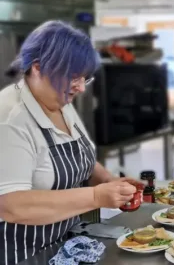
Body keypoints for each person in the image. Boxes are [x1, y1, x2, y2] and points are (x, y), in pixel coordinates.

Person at [0, 20, 143, 265]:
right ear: (37, 68)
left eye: (84, 78)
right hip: (25, 255)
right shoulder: (9, 119)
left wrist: (109, 182)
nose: (80, 88)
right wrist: (97, 196)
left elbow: (79, 154)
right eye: (73, 77)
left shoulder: (59, 102)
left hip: (68, 244)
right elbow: (10, 205)